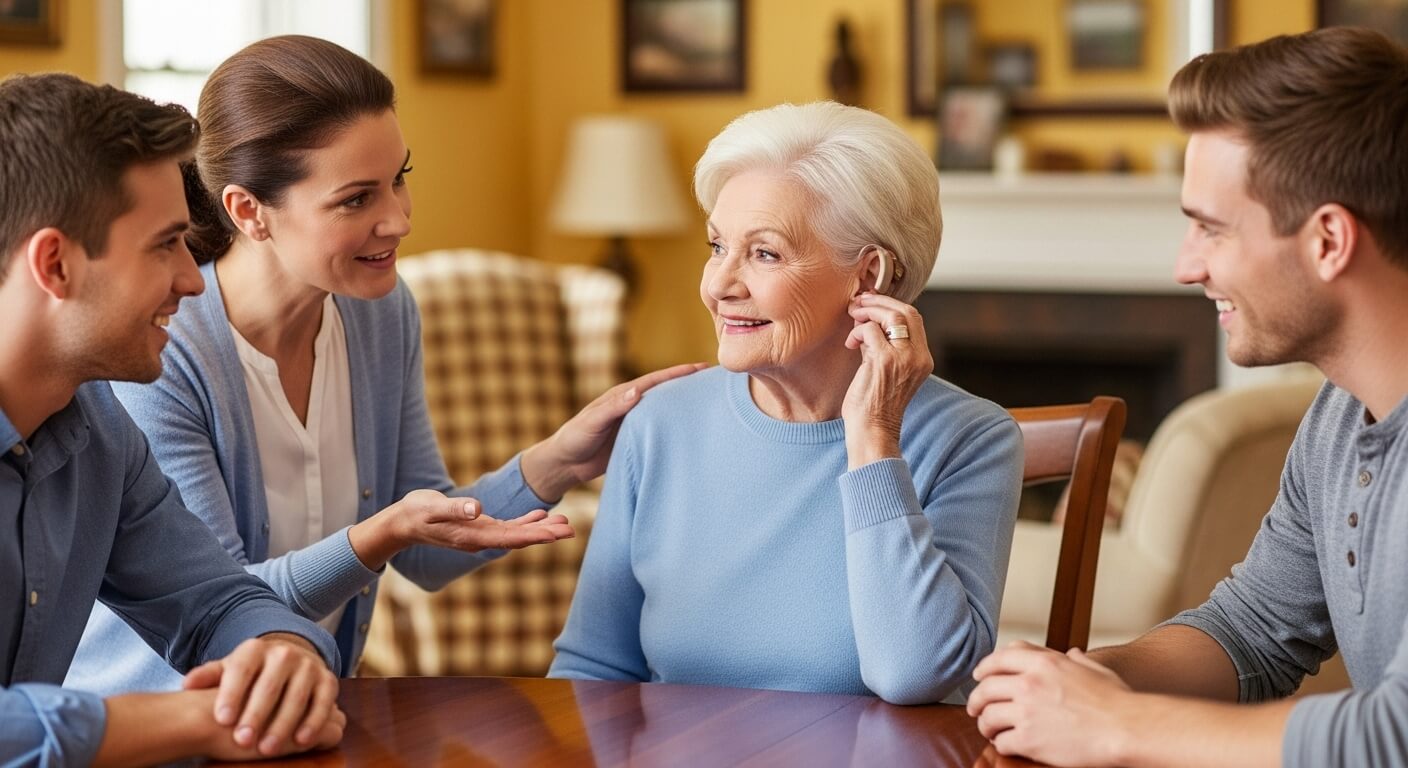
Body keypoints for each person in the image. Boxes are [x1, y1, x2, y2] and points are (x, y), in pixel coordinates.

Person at [66, 34, 702, 696]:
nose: (397, 220)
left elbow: (423, 551)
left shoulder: (380, 313)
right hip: (162, 714)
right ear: (248, 211)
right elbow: (220, 608)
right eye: (356, 198)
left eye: (399, 178)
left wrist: (560, 461)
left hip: (304, 708)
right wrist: (379, 535)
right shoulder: (164, 350)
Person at [967, 27, 1408, 767]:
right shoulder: (1338, 414)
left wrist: (1115, 725)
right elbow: (1252, 629)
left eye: (1211, 229)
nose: (1186, 266)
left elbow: (1394, 735)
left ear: (1329, 241)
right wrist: (1081, 681)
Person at [549, 101, 1024, 704]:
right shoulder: (659, 423)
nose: (719, 286)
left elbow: (916, 675)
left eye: (764, 253)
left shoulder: (972, 439)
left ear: (869, 276)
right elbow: (593, 665)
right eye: (717, 246)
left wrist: (874, 439)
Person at [0, 73, 346, 764]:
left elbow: (216, 600)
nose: (192, 279)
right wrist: (185, 722)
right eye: (165, 244)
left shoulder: (99, 431)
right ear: (55, 264)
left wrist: (281, 654)